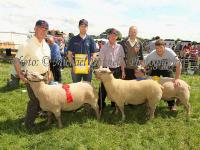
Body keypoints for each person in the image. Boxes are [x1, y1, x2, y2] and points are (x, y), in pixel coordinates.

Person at [14, 20, 51, 129]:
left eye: (45, 29)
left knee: (43, 97)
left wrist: (49, 72)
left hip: (44, 76)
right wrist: (20, 74)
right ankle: (28, 124)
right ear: (35, 28)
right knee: (34, 100)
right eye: (41, 28)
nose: (43, 31)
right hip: (33, 78)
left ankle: (40, 112)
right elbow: (16, 60)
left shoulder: (46, 45)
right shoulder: (27, 44)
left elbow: (47, 61)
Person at [145, 39, 182, 111]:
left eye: (161, 48)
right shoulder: (152, 53)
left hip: (167, 70)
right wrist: (140, 70)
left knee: (171, 85)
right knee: (152, 85)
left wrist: (177, 78)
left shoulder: (170, 52)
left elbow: (179, 65)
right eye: (157, 48)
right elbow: (144, 64)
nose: (158, 50)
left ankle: (171, 104)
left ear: (164, 47)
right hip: (155, 71)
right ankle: (151, 103)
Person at [98, 28, 125, 110]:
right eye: (112, 35)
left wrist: (123, 71)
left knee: (116, 88)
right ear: (108, 36)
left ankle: (115, 104)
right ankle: (100, 104)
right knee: (103, 88)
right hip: (106, 70)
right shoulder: (104, 47)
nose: (113, 37)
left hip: (117, 70)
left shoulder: (120, 47)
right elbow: (101, 61)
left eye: (115, 35)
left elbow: (122, 60)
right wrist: (100, 71)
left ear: (117, 37)